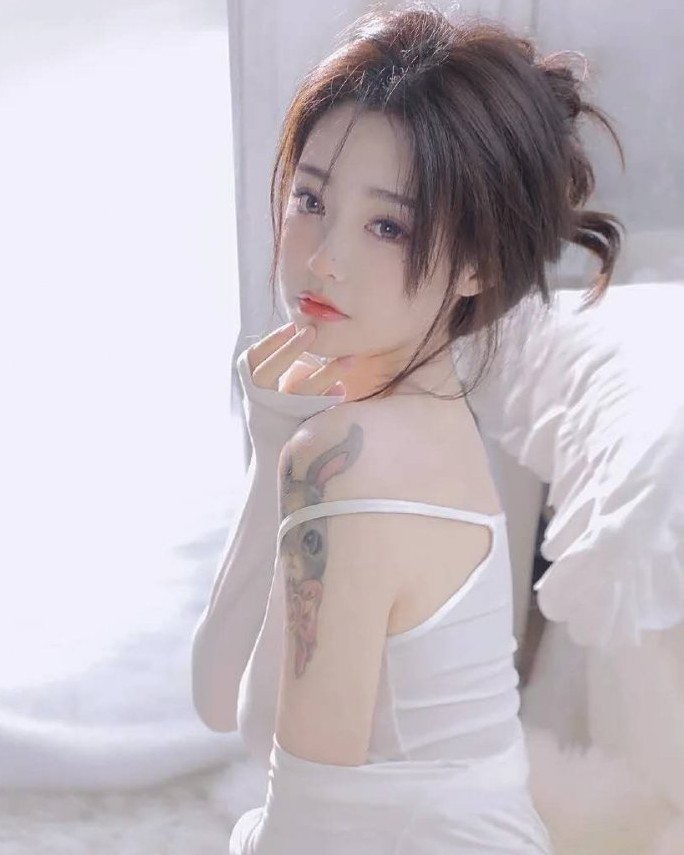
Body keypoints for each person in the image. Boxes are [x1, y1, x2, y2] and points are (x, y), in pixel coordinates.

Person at [192, 5, 625, 852]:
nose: (324, 257)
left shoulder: (354, 459)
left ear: (477, 264)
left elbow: (303, 823)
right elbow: (220, 701)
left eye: (387, 225)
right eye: (311, 199)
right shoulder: (420, 423)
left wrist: (294, 453)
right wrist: (273, 443)